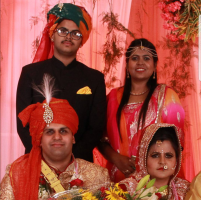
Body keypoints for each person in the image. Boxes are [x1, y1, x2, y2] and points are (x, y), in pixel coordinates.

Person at [16, 3, 106, 162]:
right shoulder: (31, 73)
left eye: (76, 33)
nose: (68, 37)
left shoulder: (94, 78)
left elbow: (96, 128)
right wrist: (43, 157)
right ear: (52, 34)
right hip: (38, 162)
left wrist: (70, 159)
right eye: (62, 31)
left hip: (79, 164)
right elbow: (23, 123)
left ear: (82, 40)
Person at [1, 75, 110, 199]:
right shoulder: (17, 174)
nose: (57, 137)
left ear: (73, 137)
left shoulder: (98, 176)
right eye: (49, 132)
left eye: (63, 131)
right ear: (39, 139)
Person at [98, 38, 185, 182]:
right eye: (135, 58)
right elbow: (100, 138)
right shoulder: (113, 98)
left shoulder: (168, 96)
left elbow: (177, 144)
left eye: (146, 58)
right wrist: (117, 158)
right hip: (118, 182)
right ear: (127, 64)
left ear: (155, 65)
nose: (140, 63)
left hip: (157, 183)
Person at [120, 123, 190, 199]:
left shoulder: (186, 190)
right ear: (143, 158)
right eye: (155, 155)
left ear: (177, 160)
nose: (162, 162)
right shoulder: (126, 189)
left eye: (168, 156)